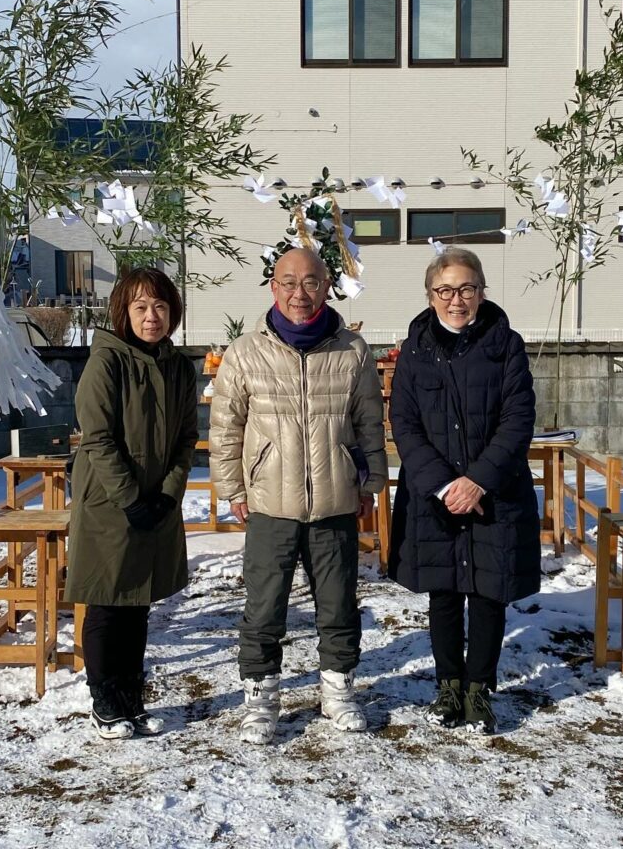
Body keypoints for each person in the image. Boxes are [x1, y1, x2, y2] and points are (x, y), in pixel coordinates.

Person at [210, 247, 387, 745]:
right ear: (273, 287)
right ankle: (261, 697)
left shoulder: (352, 350)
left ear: (326, 286)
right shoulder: (247, 352)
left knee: (338, 604)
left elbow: (369, 422)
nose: (299, 294)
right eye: (288, 282)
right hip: (270, 502)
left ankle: (337, 690)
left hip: (335, 499)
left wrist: (370, 482)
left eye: (310, 283)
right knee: (264, 606)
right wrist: (231, 487)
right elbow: (226, 427)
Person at [388, 248, 540, 733]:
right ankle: (448, 686)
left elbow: (518, 421)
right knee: (445, 593)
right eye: (446, 290)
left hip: (493, 492)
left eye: (467, 289)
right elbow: (404, 423)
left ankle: (480, 689)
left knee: (488, 592)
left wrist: (477, 481)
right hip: (435, 495)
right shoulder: (414, 350)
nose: (457, 300)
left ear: (482, 292)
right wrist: (444, 483)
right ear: (431, 295)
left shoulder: (506, 345)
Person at [64, 268, 198, 740]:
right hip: (108, 502)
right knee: (107, 601)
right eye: (140, 307)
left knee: (138, 603)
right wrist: (130, 498)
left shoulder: (178, 366)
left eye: (160, 306)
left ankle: (130, 695)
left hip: (156, 501)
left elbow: (186, 439)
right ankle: (104, 698)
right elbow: (97, 440)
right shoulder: (107, 362)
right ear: (123, 310)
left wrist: (167, 493)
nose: (151, 316)